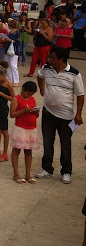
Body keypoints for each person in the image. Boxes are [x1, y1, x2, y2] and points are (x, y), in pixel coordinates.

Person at [36, 46, 84, 184]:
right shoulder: (46, 68)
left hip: (66, 116)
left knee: (65, 144)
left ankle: (66, 171)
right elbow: (39, 76)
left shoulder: (74, 74)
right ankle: (47, 168)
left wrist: (78, 114)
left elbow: (80, 95)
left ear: (61, 59)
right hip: (48, 113)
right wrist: (42, 90)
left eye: (52, 57)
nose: (49, 59)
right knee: (47, 142)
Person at [10, 81, 41, 183]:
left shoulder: (32, 99)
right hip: (20, 128)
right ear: (23, 89)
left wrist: (36, 112)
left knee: (28, 151)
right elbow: (12, 114)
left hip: (31, 129)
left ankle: (28, 174)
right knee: (16, 150)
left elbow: (36, 115)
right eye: (28, 93)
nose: (29, 95)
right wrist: (23, 111)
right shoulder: (16, 99)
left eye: (31, 94)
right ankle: (16, 174)